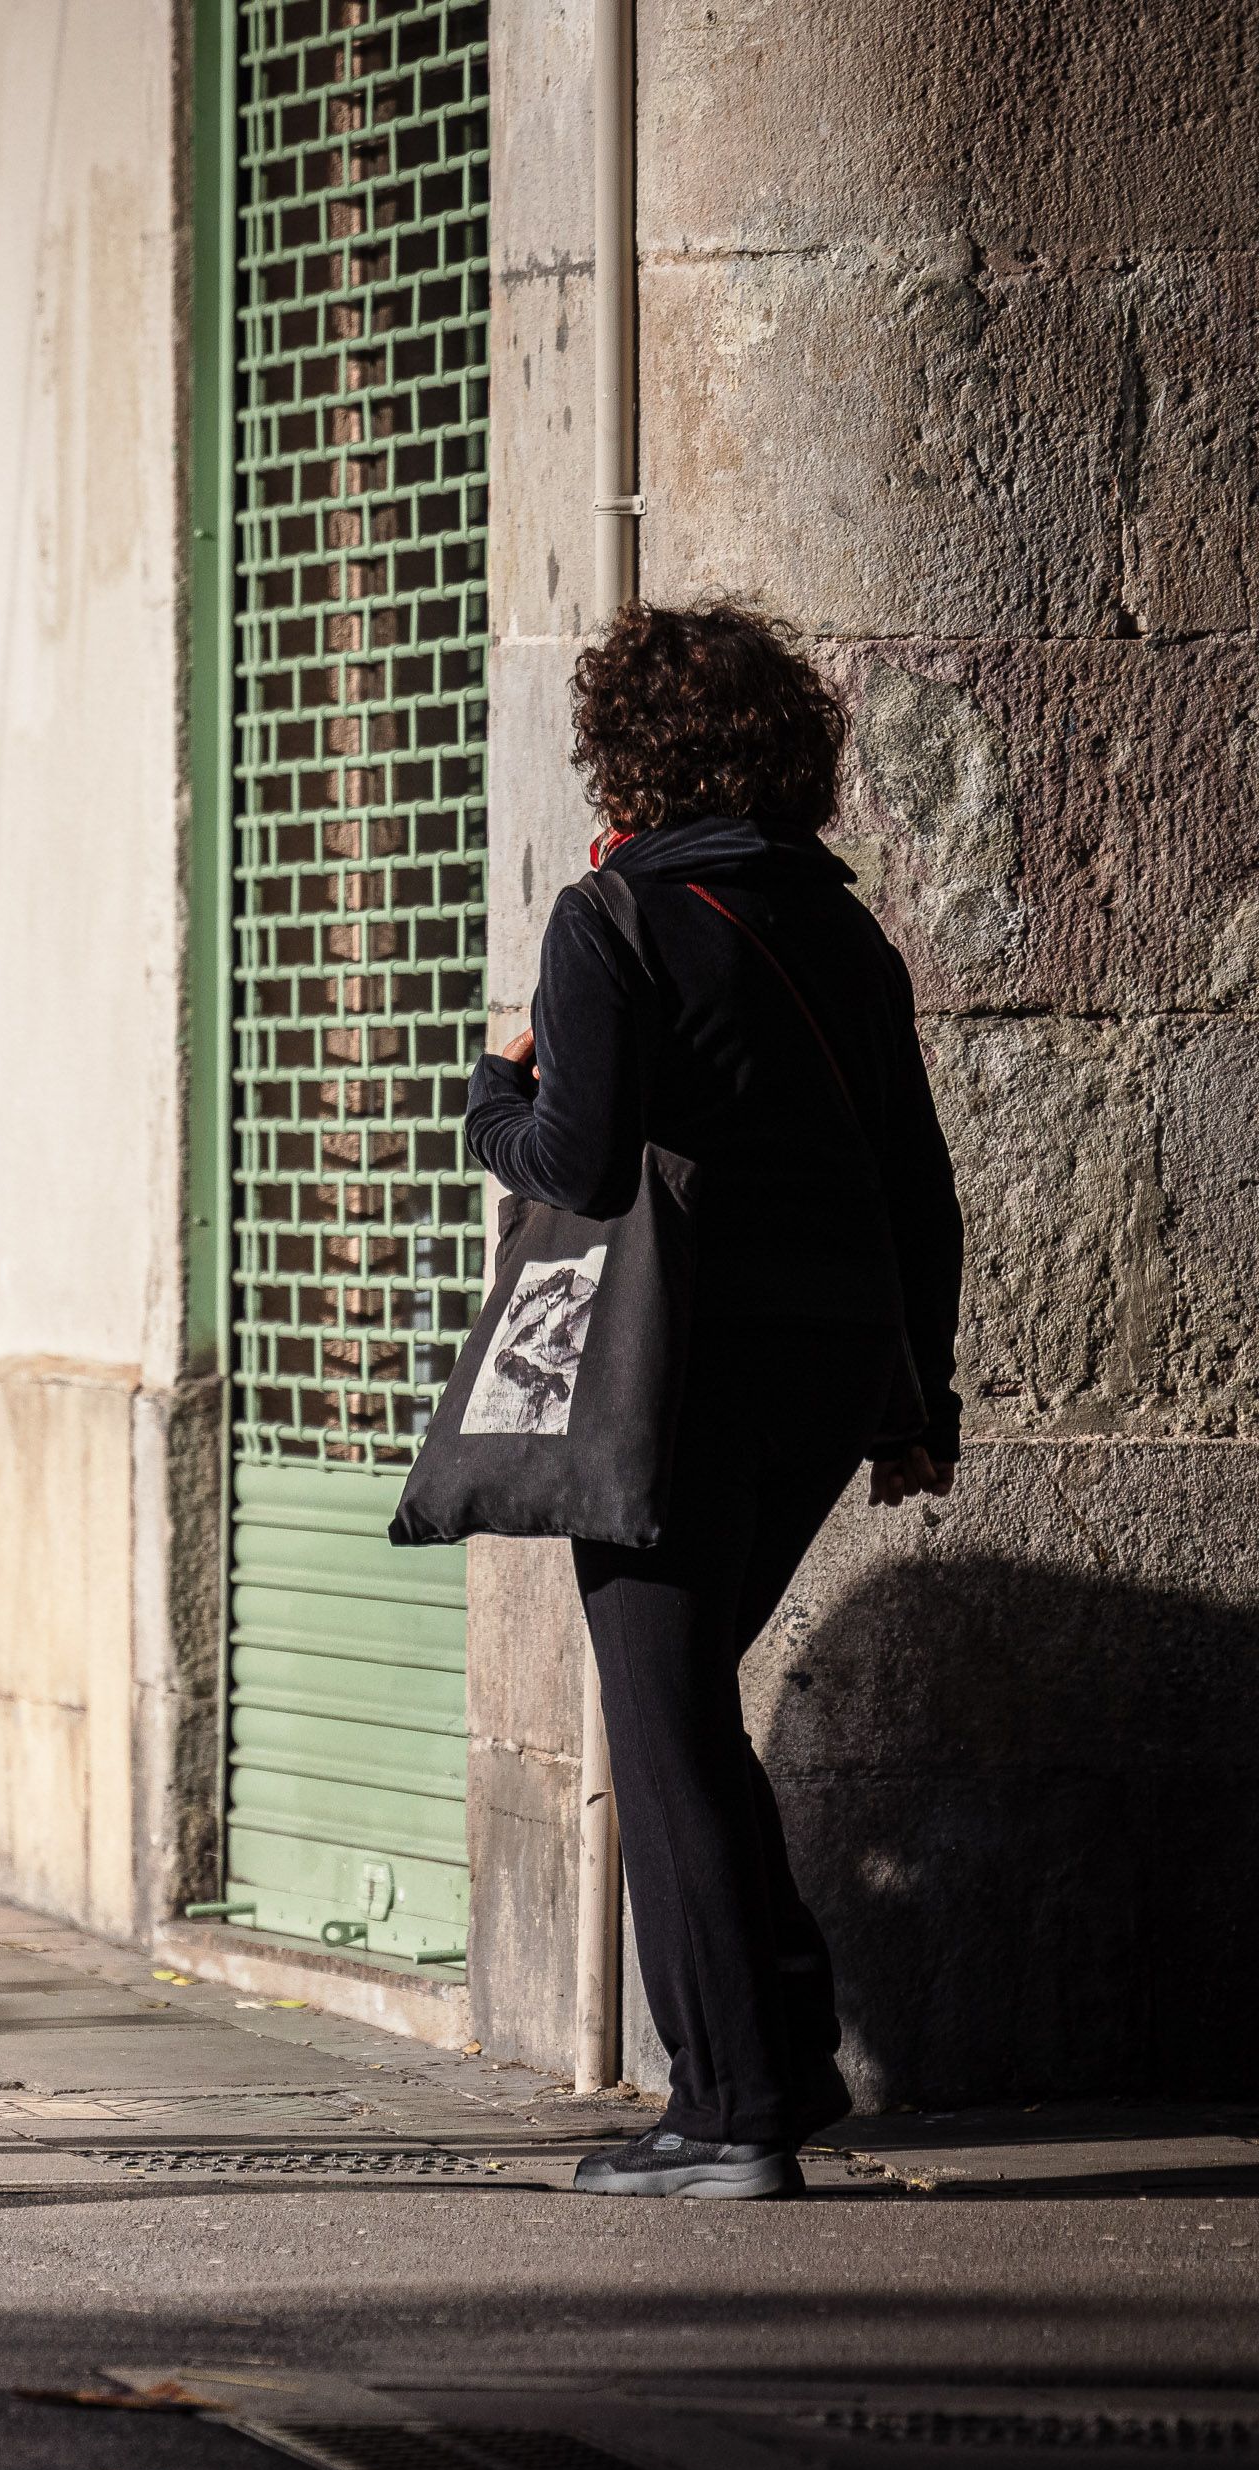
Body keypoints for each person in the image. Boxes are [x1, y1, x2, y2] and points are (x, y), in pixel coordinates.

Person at [471, 599, 965, 2201]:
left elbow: (579, 1161)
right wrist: (920, 1394)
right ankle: (778, 2052)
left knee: (666, 1718)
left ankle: (733, 2105)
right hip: (828, 1380)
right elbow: (919, 1187)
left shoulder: (610, 917)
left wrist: (496, 1092)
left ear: (632, 750)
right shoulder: (843, 929)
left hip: (673, 1382)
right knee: (685, 1712)